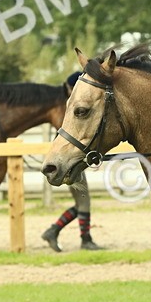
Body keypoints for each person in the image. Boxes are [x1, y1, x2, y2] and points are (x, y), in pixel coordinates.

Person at [41, 72, 103, 252]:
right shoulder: (71, 108)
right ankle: (84, 239)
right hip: (70, 162)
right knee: (84, 203)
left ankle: (54, 231)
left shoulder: (69, 107)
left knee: (81, 204)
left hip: (73, 161)